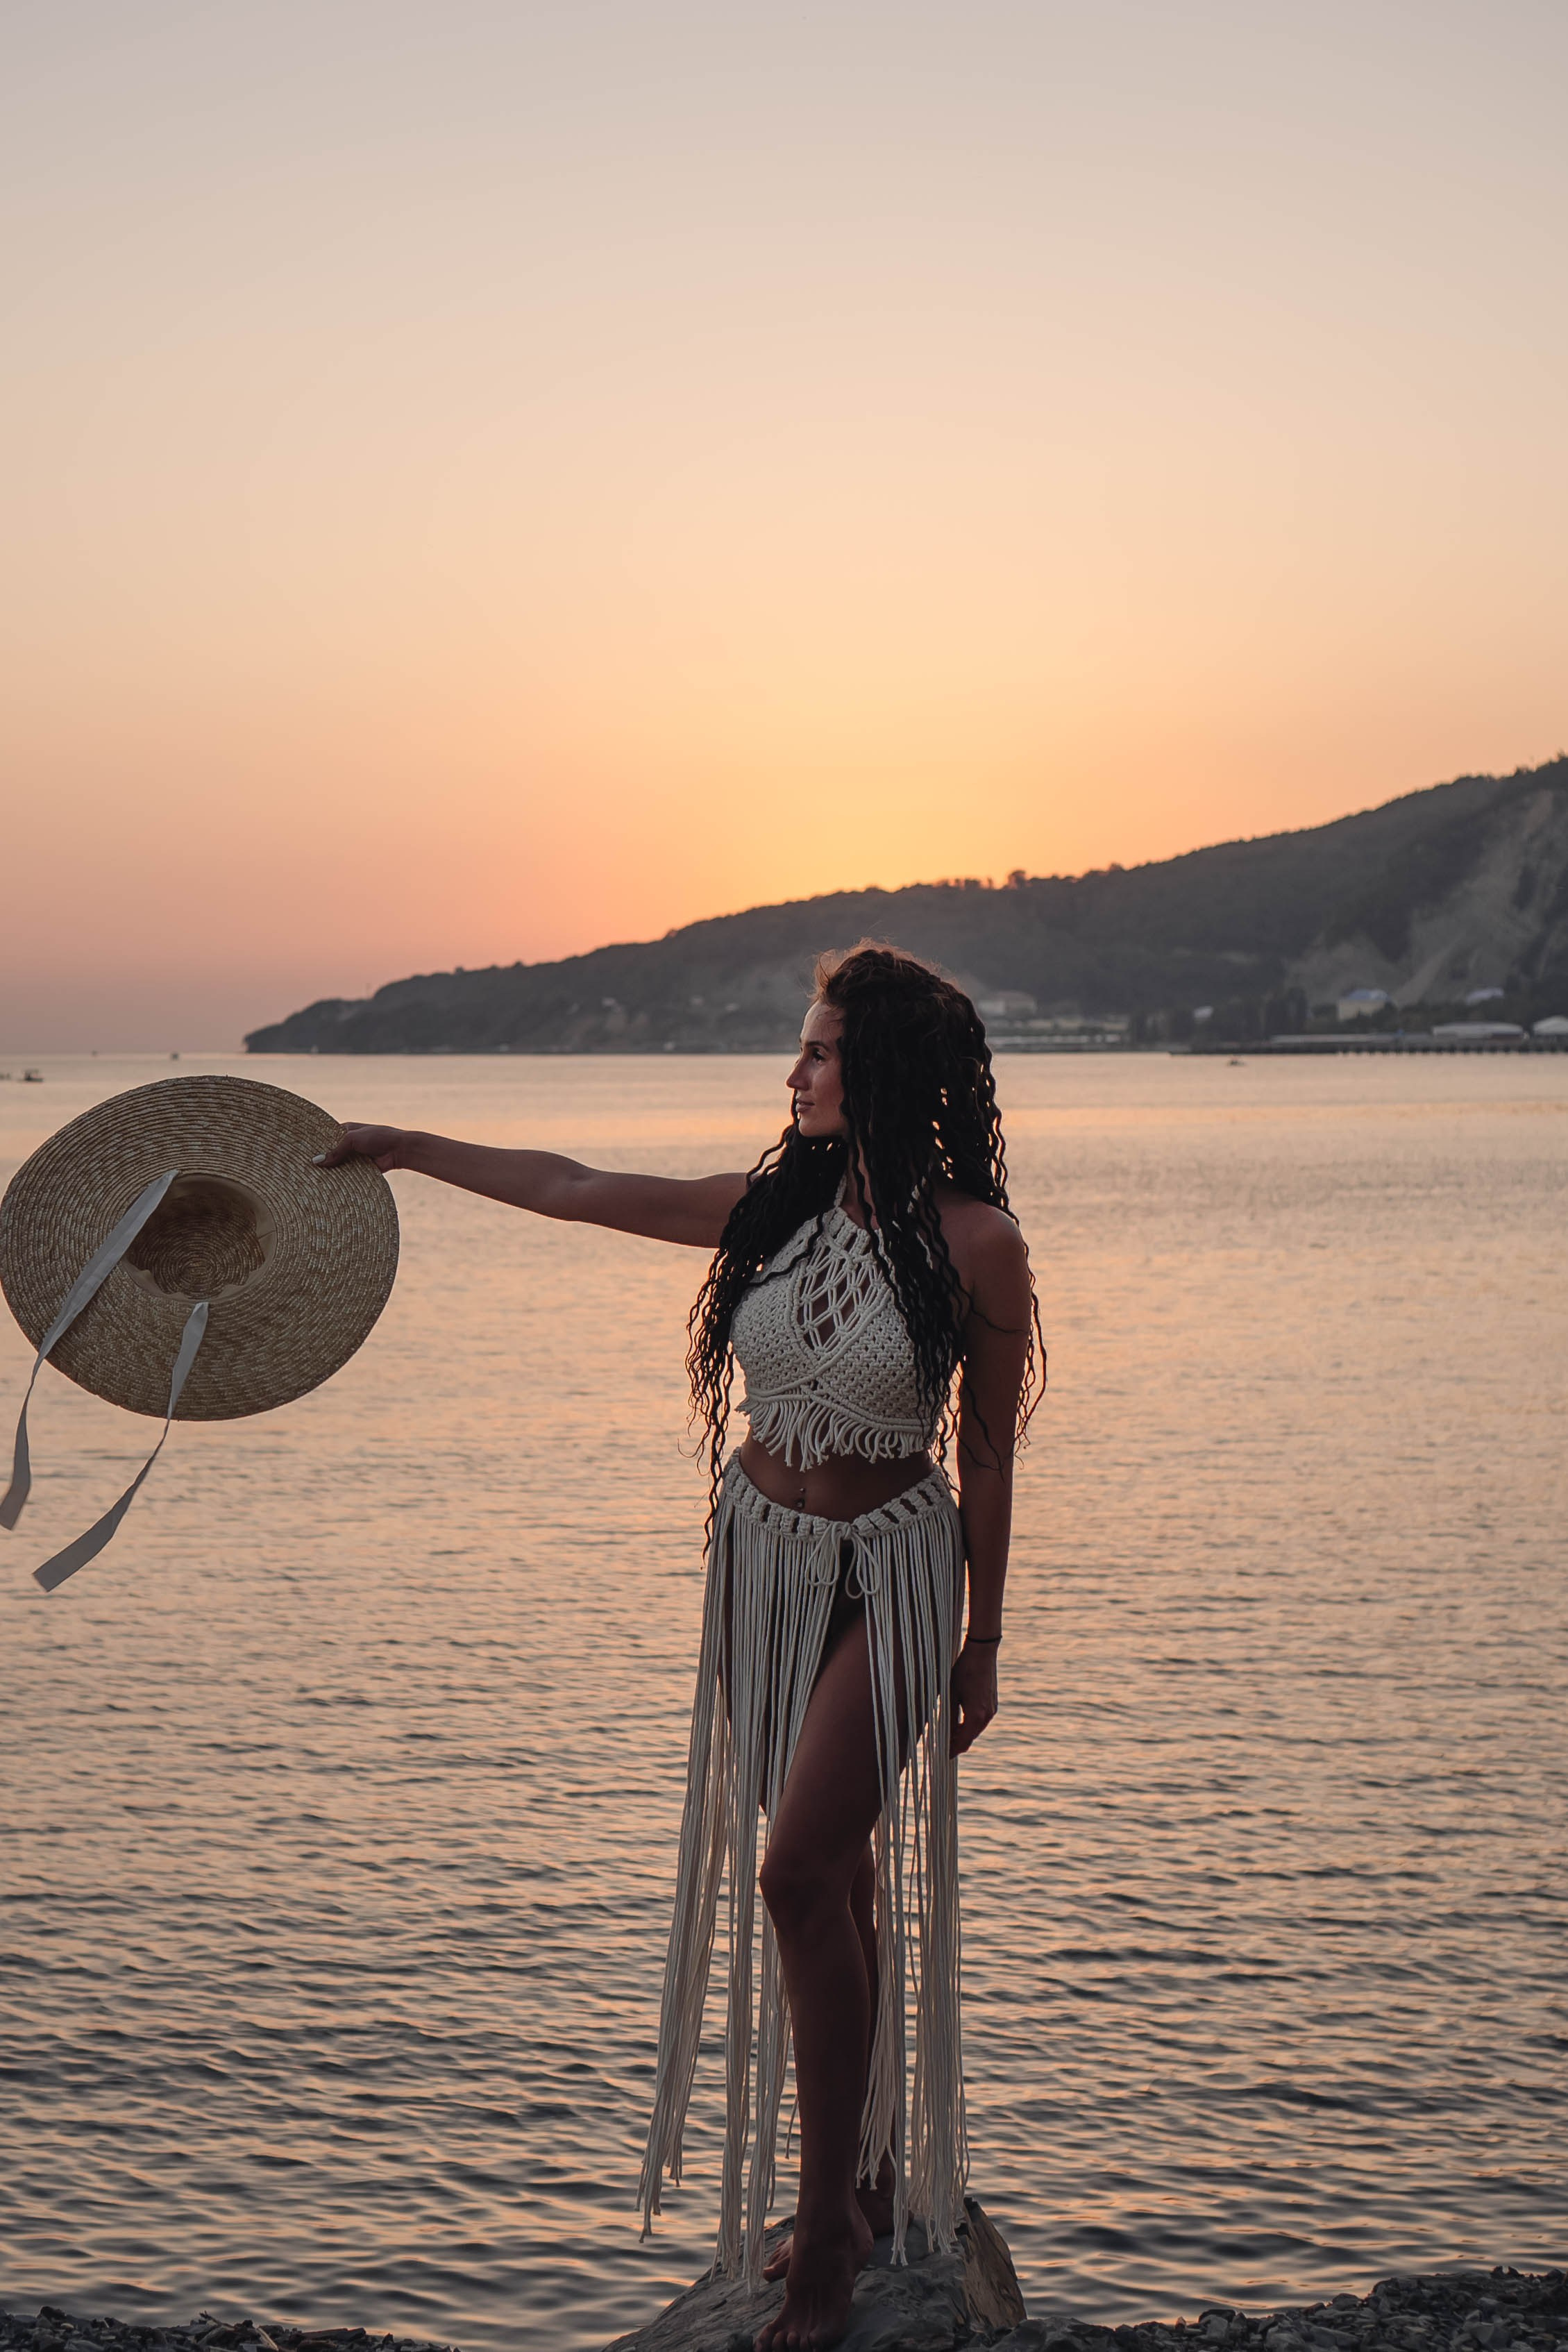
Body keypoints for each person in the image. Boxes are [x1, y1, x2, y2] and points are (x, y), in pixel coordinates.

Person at [321, 941, 1043, 2352]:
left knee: (792, 1872)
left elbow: (991, 1458)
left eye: (820, 1050)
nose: (794, 1073)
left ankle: (832, 2224)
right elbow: (575, 1183)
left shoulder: (977, 1243)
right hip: (764, 1567)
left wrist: (984, 1639)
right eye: (801, 1049)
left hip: (892, 1566)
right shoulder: (767, 1213)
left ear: (886, 1067)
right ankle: (879, 2174)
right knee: (840, 1882)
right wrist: (406, 1144)